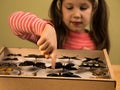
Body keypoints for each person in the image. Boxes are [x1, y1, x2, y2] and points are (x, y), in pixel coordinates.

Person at [8, 0, 110, 69]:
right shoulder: (51, 32)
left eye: (83, 8)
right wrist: (44, 28)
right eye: (69, 8)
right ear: (60, 8)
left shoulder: (96, 39)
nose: (76, 15)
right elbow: (13, 20)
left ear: (93, 9)